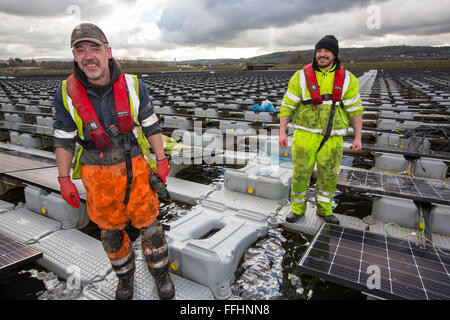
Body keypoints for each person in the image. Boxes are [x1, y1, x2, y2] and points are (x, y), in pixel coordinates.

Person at [53, 23, 175, 300]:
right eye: (80, 50)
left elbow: (151, 126)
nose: (88, 56)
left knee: (152, 229)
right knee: (111, 235)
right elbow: (63, 139)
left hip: (136, 167)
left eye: (94, 48)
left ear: (108, 51)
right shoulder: (66, 93)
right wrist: (64, 180)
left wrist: (162, 159)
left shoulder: (134, 85)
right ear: (74, 56)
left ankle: (161, 275)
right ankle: (125, 279)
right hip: (98, 175)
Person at [278, 35, 363, 225]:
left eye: (327, 51)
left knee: (329, 174)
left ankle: (324, 209)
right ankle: (297, 209)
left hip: (333, 138)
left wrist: (358, 136)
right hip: (305, 134)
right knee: (300, 173)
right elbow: (287, 105)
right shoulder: (300, 76)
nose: (322, 55)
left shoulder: (348, 79)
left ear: (334, 54)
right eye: (319, 51)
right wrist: (282, 132)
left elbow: (355, 110)